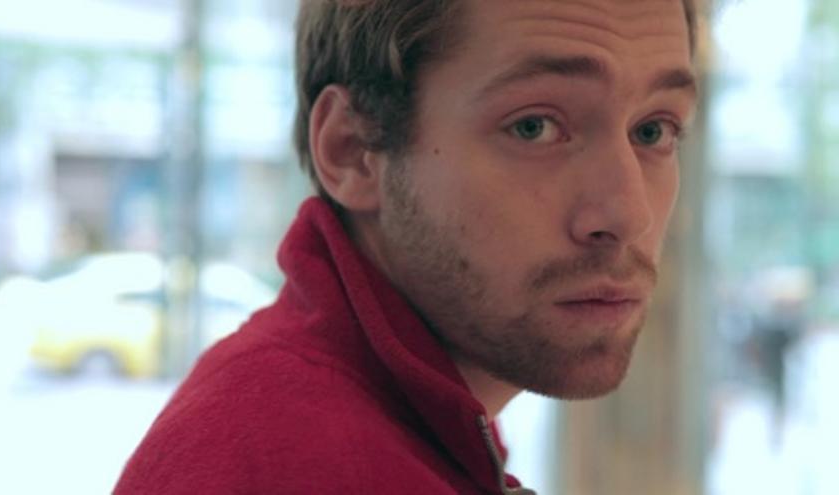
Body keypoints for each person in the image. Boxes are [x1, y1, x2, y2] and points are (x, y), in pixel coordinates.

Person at [115, 0, 699, 493]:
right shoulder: (293, 463)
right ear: (351, 149)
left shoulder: (405, 422)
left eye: (654, 130)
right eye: (534, 126)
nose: (628, 214)